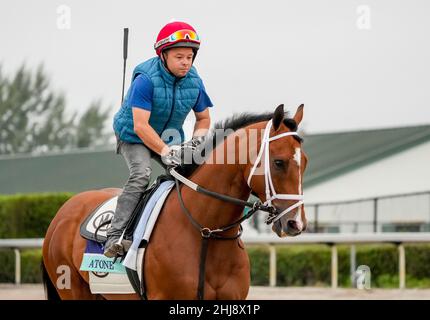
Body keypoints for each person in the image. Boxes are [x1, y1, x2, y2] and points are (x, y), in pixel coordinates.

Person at [104, 21, 213, 258]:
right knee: (141, 174)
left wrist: (195, 142)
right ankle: (114, 236)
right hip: (133, 135)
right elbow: (141, 126)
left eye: (190, 56)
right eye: (179, 56)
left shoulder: (195, 81)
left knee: (191, 176)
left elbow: (203, 119)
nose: (186, 62)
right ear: (162, 55)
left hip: (168, 138)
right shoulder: (146, 79)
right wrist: (166, 151)